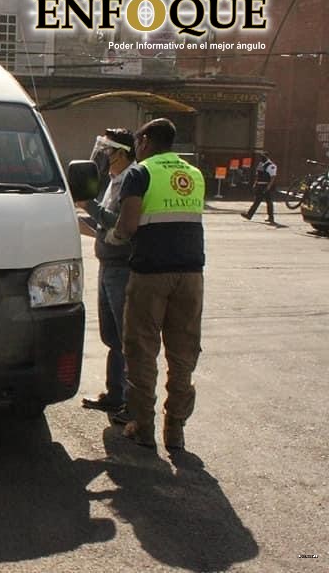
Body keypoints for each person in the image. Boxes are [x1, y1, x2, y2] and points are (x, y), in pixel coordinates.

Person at [107, 118, 206, 451]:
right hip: (192, 276)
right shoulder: (193, 174)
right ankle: (175, 431)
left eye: (138, 141)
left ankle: (143, 428)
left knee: (141, 351)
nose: (137, 147)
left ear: (146, 140)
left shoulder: (140, 172)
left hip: (151, 275)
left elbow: (129, 224)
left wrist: (114, 236)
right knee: (182, 355)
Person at [78, 129, 136, 420]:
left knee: (127, 338)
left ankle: (130, 401)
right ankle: (115, 395)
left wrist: (89, 206)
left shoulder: (132, 179)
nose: (102, 156)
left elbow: (119, 223)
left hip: (122, 268)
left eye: (108, 150)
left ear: (122, 153)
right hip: (107, 264)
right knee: (112, 336)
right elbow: (104, 227)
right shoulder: (115, 181)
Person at [241, 151, 277, 223]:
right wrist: (255, 183)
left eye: (263, 157)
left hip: (266, 185)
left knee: (267, 201)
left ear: (267, 157)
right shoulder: (261, 164)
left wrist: (269, 186)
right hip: (260, 185)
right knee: (259, 200)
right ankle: (250, 215)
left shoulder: (271, 165)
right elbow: (258, 174)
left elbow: (273, 177)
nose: (261, 158)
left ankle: (270, 217)